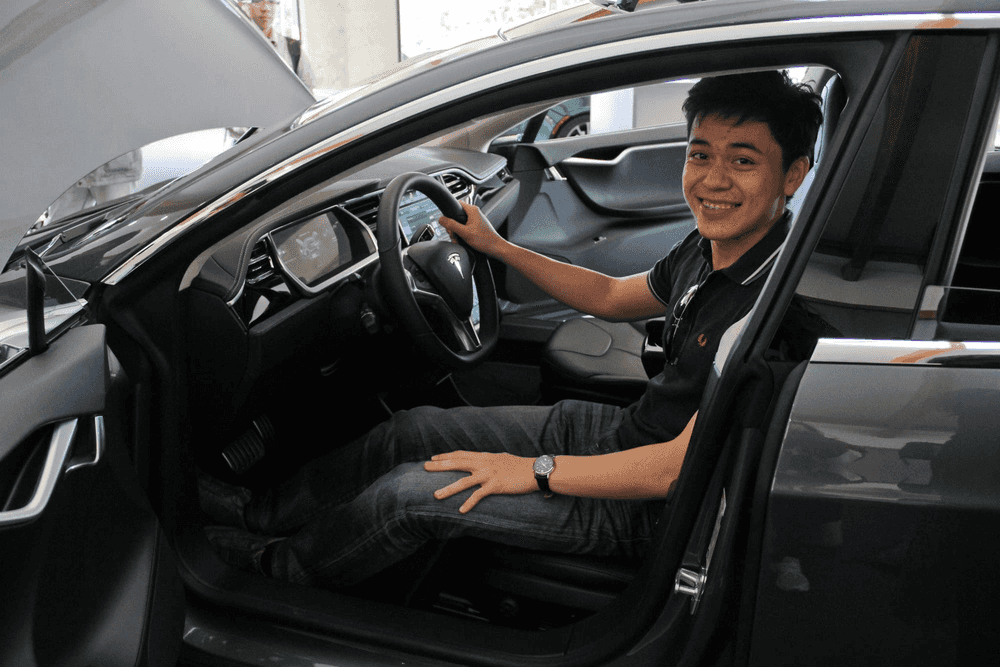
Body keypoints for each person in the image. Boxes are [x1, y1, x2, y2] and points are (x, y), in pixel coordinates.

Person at [202, 70, 824, 588]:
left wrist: (534, 470)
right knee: (410, 430)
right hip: (626, 432)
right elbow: (611, 296)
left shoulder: (768, 312)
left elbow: (671, 472)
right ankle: (260, 510)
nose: (713, 180)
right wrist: (498, 249)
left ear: (793, 176)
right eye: (700, 155)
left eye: (743, 161)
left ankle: (278, 568)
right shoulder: (709, 247)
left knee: (409, 496)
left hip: (649, 507)